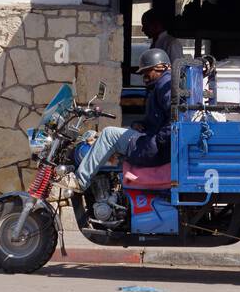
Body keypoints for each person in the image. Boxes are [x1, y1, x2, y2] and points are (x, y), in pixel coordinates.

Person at [63, 49, 171, 193]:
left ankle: (80, 181)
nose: (144, 77)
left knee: (108, 134)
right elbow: (159, 119)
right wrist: (141, 125)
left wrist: (157, 141)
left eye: (147, 72)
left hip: (154, 148)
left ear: (161, 67)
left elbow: (174, 121)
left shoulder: (166, 84)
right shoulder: (161, 86)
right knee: (91, 134)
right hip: (152, 141)